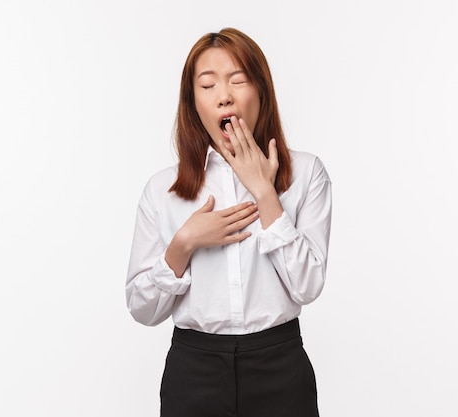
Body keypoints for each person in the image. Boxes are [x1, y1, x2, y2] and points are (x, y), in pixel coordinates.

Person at [126, 27, 332, 417]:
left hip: (280, 365)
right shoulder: (162, 190)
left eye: (238, 80)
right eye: (208, 85)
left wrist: (266, 195)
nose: (224, 95)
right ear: (193, 103)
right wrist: (183, 244)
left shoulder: (307, 173)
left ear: (261, 92)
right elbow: (142, 308)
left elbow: (307, 287)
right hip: (194, 370)